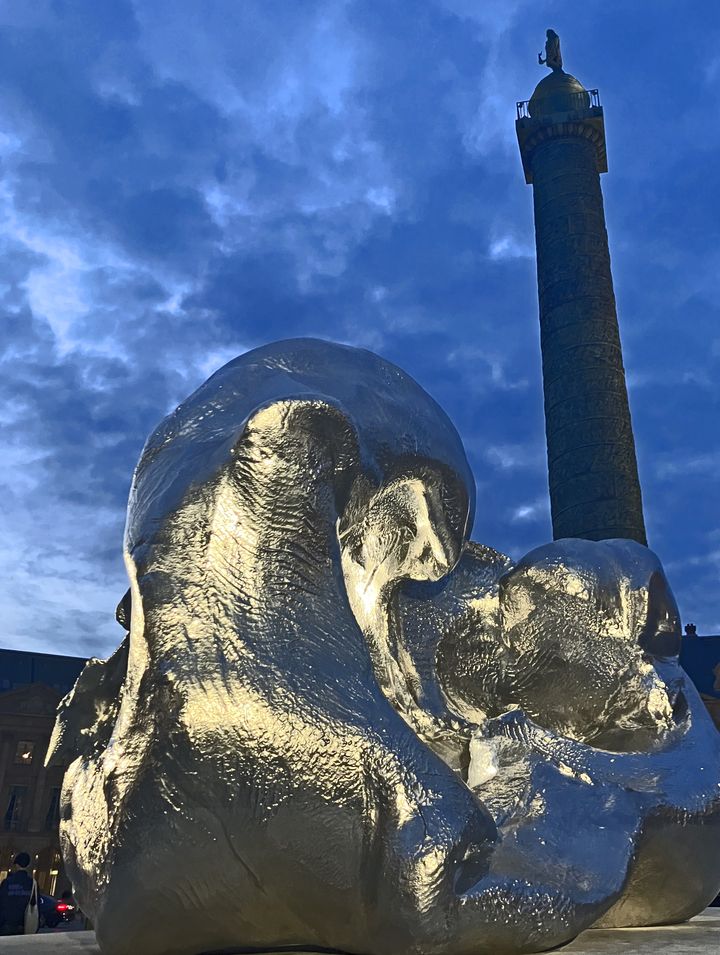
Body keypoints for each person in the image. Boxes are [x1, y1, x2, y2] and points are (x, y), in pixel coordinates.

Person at [0, 852, 36, 935]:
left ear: (16, 865)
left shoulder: (7, 882)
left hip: (6, 923)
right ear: (28, 865)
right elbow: (34, 903)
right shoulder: (32, 883)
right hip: (24, 923)